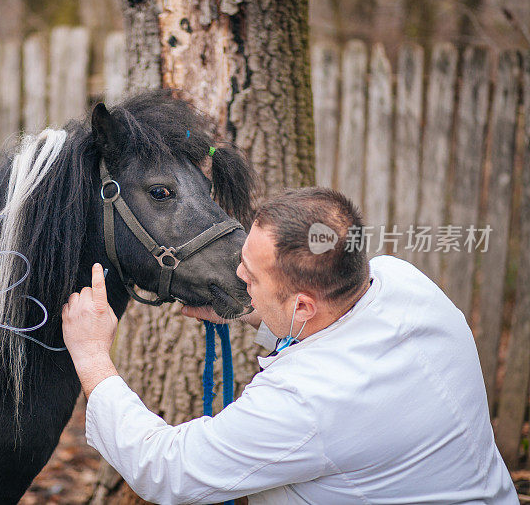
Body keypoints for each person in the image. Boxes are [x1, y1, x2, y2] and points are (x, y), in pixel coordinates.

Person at [62, 187, 517, 504]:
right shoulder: (404, 282)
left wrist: (92, 355)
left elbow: (167, 470)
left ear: (302, 307)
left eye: (251, 277)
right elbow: (326, 326)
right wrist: (255, 308)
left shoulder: (306, 401)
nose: (237, 278)